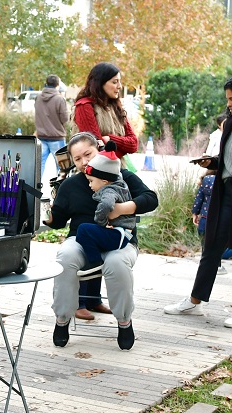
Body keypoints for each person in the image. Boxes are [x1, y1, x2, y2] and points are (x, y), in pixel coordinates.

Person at [163, 74, 232, 328]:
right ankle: (195, 300)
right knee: (212, 246)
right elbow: (231, 160)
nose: (230, 105)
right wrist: (211, 163)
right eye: (228, 100)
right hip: (225, 193)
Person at [46, 132, 158, 350]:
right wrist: (47, 216)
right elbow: (58, 221)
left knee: (116, 264)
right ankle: (62, 319)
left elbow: (151, 198)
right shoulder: (70, 185)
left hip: (120, 240)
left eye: (88, 154)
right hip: (81, 239)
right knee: (65, 257)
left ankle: (124, 321)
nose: (84, 162)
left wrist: (122, 209)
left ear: (98, 148)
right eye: (77, 159)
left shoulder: (121, 176)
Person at [70, 63, 139, 318]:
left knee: (105, 234)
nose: (119, 87)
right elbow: (93, 144)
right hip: (93, 177)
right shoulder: (85, 106)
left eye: (120, 82)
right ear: (100, 82)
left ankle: (93, 298)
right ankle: (78, 303)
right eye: (114, 82)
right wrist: (108, 143)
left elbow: (133, 143)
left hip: (116, 177)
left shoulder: (117, 106)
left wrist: (112, 140)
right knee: (88, 229)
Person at [74, 143, 137, 279]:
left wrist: (100, 221)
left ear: (103, 181)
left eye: (91, 181)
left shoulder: (109, 190)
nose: (89, 185)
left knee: (83, 230)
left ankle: (95, 263)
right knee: (88, 232)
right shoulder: (118, 183)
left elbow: (107, 204)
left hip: (119, 234)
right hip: (124, 233)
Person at [35, 74, 68, 177]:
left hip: (41, 136)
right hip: (57, 137)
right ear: (57, 85)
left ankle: (36, 189)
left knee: (39, 166)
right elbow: (65, 119)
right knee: (62, 167)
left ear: (47, 83)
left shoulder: (38, 97)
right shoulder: (60, 99)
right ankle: (60, 189)